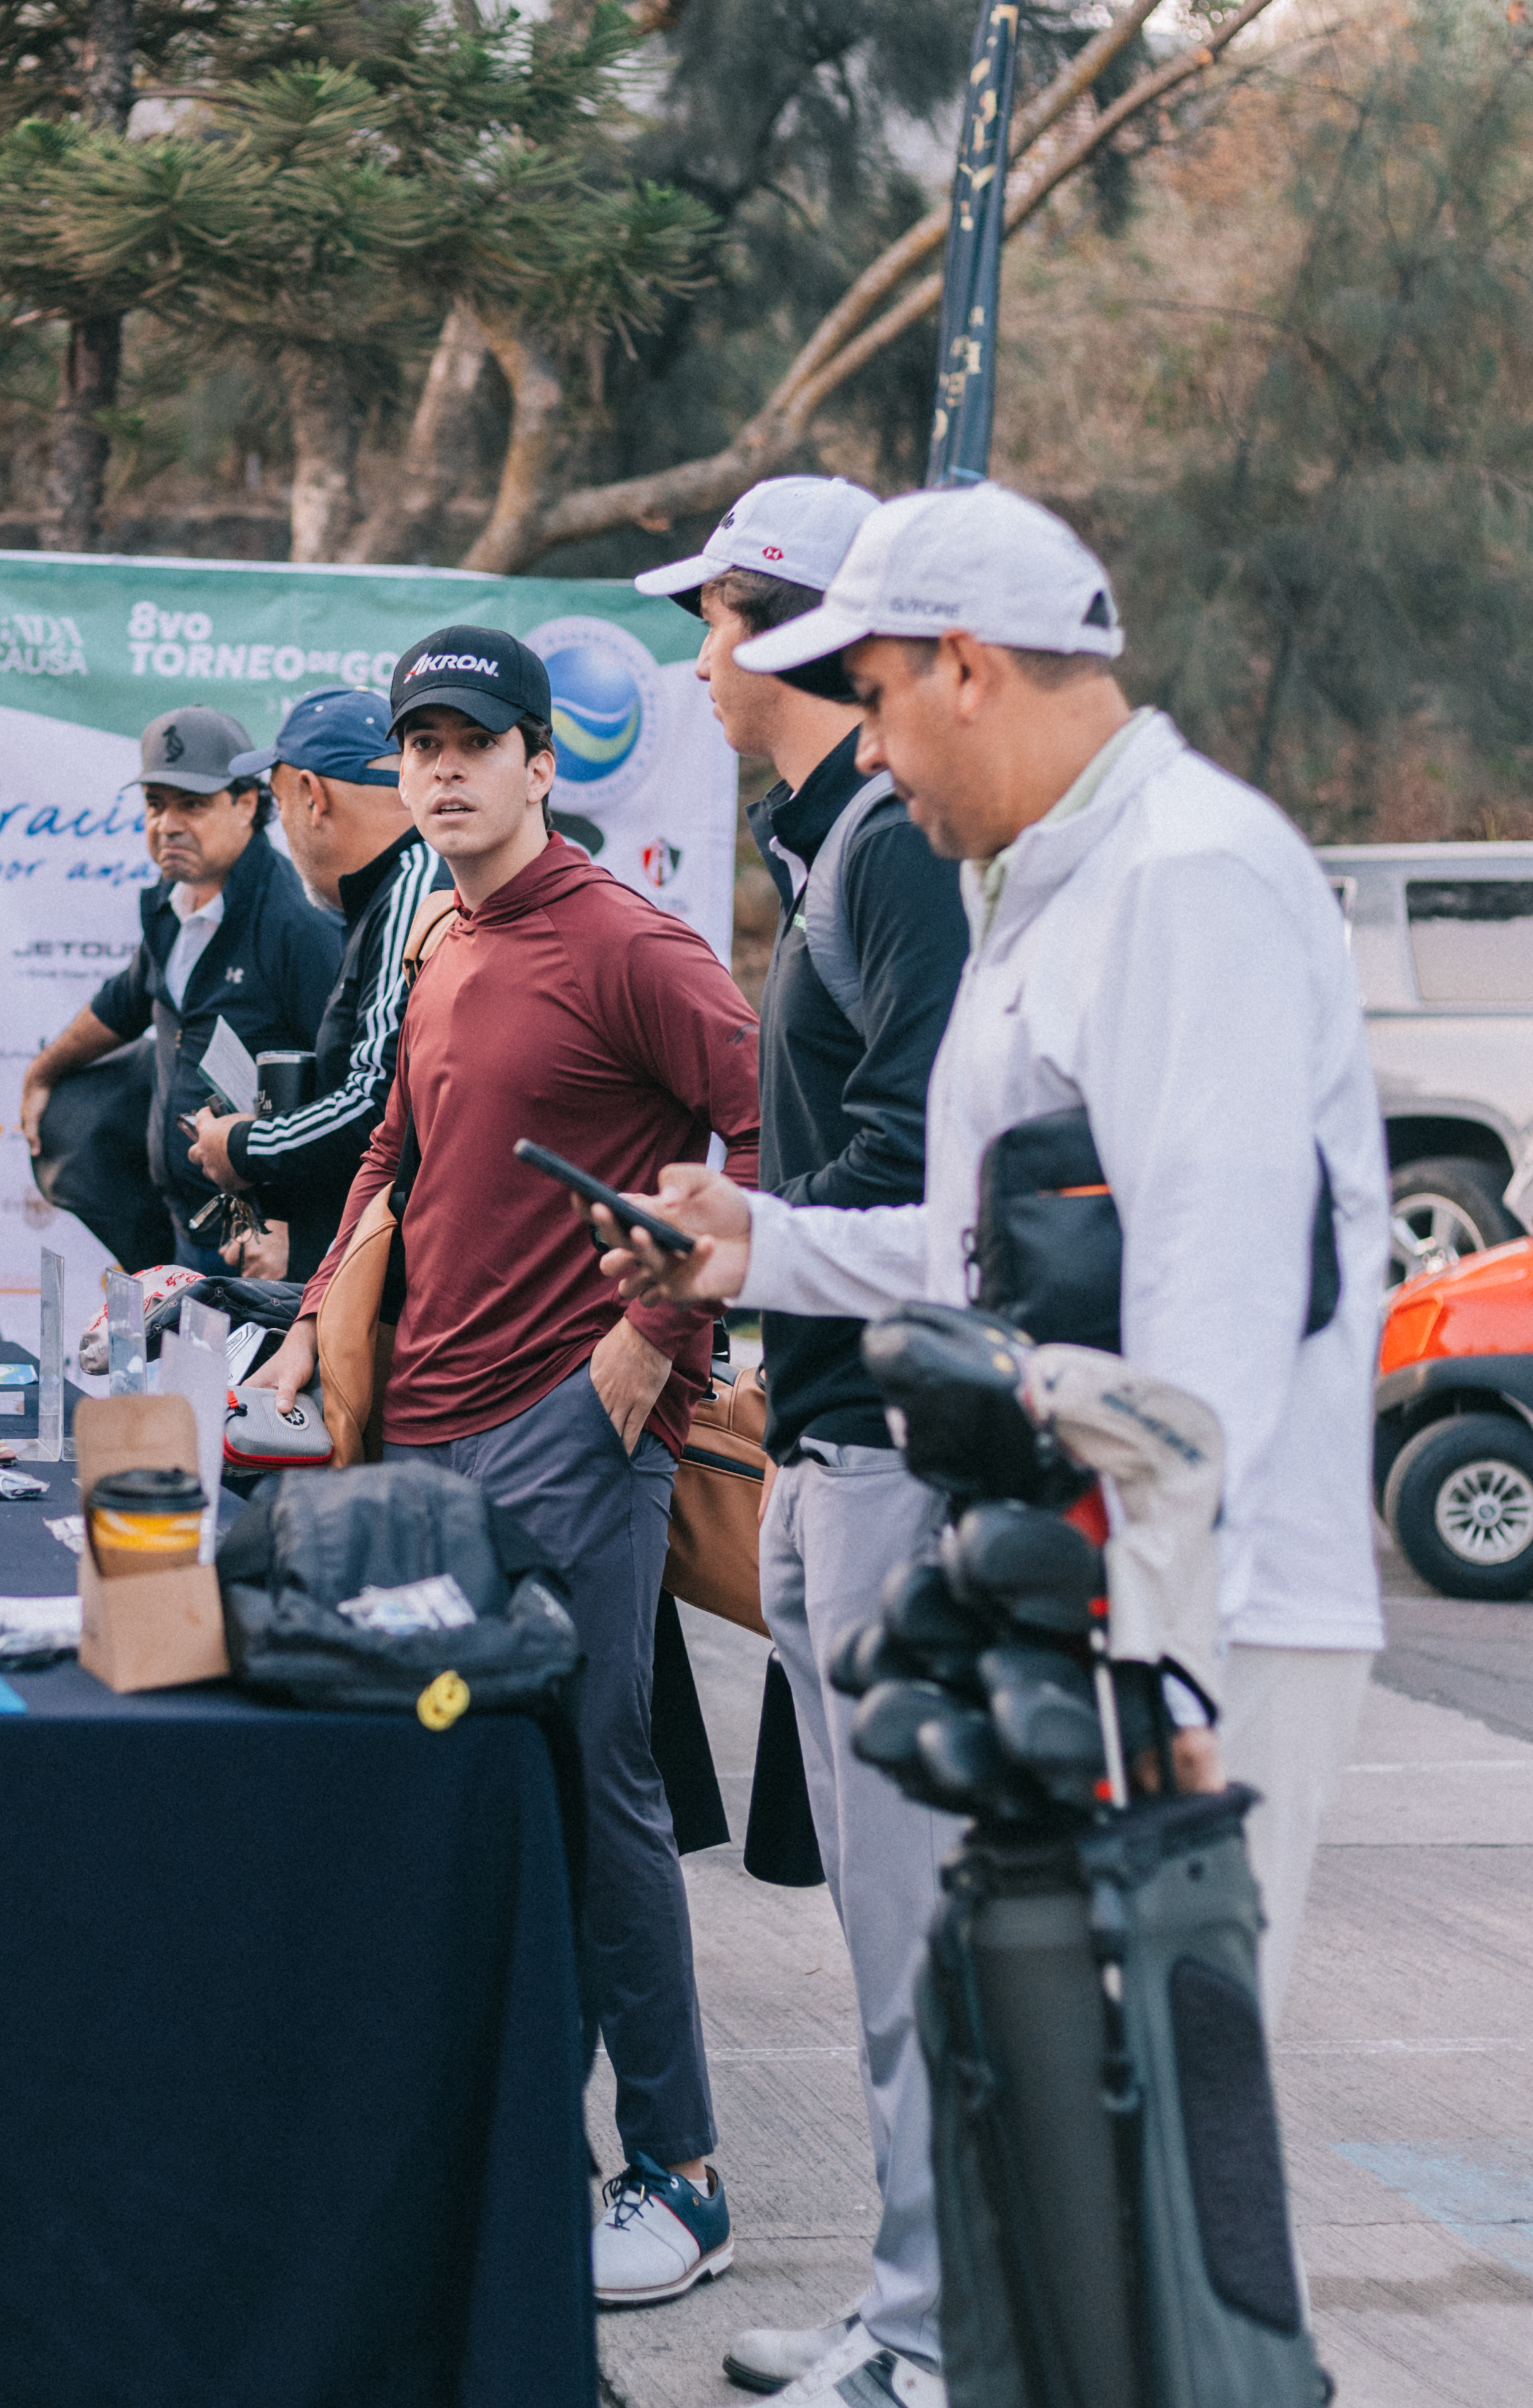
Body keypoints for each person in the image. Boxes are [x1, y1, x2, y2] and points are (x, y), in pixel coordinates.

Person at [601, 484, 1389, 2040]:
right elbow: (967, 1246)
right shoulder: (1044, 885)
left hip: (1196, 1617)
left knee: (1145, 2139)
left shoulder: (1187, 878)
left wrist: (1171, 1675)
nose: (871, 748)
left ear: (967, 665)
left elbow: (1209, 1320)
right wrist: (759, 1242)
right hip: (1072, 1591)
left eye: (879, 696)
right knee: (1026, 2103)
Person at [254, 626, 763, 2310]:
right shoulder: (446, 941)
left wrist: (659, 1355)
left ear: (546, 764)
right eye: (422, 745)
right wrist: (319, 1314)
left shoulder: (631, 944)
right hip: (425, 1432)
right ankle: (512, 2144)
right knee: (474, 1790)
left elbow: (767, 1132)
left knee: (601, 1788)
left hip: (573, 1432)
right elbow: (399, 1150)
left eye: (480, 742)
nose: (447, 769)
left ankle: (680, 2180)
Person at [640, 480, 977, 2408]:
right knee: (877, 1937)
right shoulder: (838, 842)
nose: (698, 658)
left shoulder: (889, 853)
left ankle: (935, 2340)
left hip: (892, 1454)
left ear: (792, 633)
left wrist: (744, 1237)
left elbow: (932, 1150)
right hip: (832, 1436)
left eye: (716, 619)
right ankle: (908, 2308)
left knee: (916, 1937)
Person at [19, 706, 341, 1275]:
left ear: (247, 804)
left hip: (264, 1245)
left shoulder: (299, 925)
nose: (168, 824)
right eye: (155, 804)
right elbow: (122, 1004)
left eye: (192, 804)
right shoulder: (171, 908)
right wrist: (42, 1073)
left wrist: (299, 1231)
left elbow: (349, 1092)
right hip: (187, 1228)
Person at [180, 685, 441, 1279]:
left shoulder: (410, 890)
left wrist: (242, 1148)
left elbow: (378, 1104)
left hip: (411, 1283)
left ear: (310, 795)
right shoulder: (397, 886)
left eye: (277, 803)